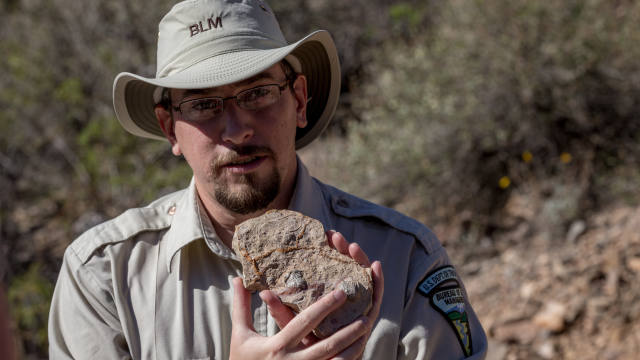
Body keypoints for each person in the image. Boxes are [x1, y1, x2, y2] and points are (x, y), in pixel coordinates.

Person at [48, 0, 488, 359]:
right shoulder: (104, 276)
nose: (237, 130)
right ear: (169, 129)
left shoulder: (405, 260)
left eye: (257, 93)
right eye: (203, 105)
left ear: (298, 100)